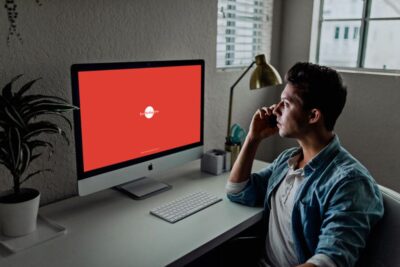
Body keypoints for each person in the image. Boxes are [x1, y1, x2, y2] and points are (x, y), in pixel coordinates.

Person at [226, 62, 384, 267]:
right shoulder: (288, 160)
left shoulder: (350, 183)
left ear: (313, 115)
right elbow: (238, 190)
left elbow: (329, 261)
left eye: (286, 103)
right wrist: (253, 138)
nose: (275, 109)